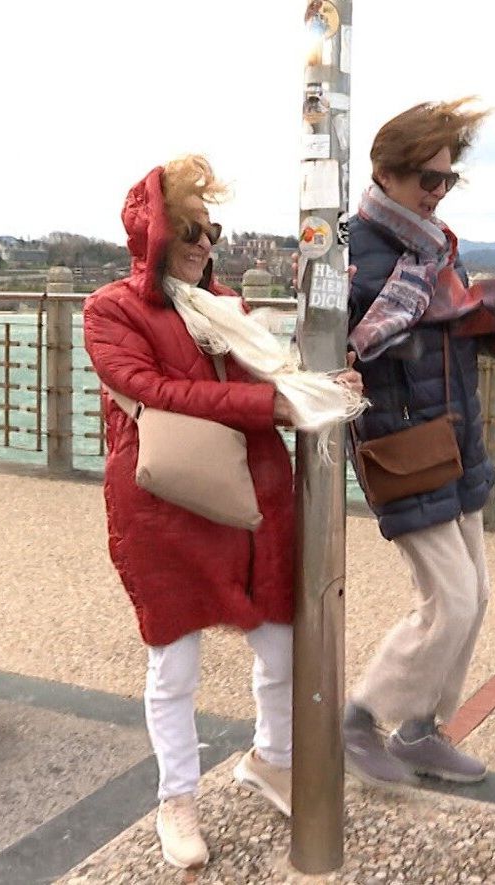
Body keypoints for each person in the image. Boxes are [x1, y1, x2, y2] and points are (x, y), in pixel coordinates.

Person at [83, 155, 361, 869]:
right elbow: (153, 389)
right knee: (174, 663)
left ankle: (271, 759)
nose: (205, 244)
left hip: (250, 503)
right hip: (165, 509)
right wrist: (275, 404)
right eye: (190, 231)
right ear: (152, 235)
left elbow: (275, 370)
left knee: (282, 648)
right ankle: (176, 798)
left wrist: (321, 385)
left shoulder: (226, 306)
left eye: (212, 232)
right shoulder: (110, 310)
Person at [342, 98, 495, 787]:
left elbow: (450, 323)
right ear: (384, 173)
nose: (438, 191)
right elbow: (332, 343)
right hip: (400, 443)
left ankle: (419, 728)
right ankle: (360, 718)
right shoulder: (347, 251)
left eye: (447, 178)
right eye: (427, 178)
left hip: (455, 436)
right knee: (450, 598)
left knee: (475, 594)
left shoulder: (434, 245)